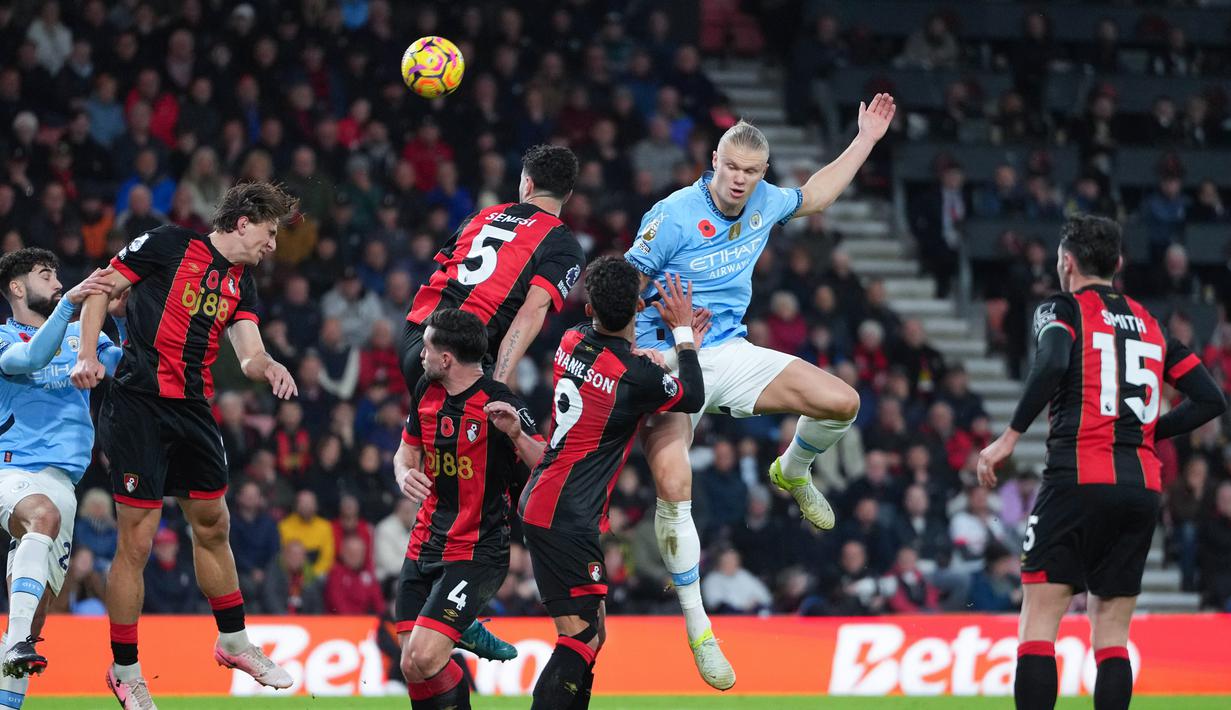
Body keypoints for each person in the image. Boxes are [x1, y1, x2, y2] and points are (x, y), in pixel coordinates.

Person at [621, 94, 896, 687]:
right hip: (669, 354)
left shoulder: (768, 201)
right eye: (731, 168)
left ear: (761, 173)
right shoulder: (672, 215)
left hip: (730, 352)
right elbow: (620, 285)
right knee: (675, 484)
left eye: (750, 172)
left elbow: (817, 195)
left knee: (843, 402)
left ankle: (792, 470)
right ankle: (699, 627)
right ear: (712, 160)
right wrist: (632, 347)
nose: (740, 180)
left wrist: (866, 140)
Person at [976, 215, 1226, 710]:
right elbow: (1209, 398)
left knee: (1039, 622)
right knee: (1111, 632)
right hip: (1141, 486)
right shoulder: (1151, 325)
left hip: (1076, 475)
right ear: (1118, 264)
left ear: (1066, 261)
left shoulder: (1062, 308)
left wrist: (1009, 436)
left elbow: (1050, 362)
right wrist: (1149, 430)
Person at [71, 182, 302, 709]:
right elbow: (100, 288)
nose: (272, 246)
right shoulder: (168, 244)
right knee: (139, 540)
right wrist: (88, 355)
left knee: (214, 523)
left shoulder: (244, 282)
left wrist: (266, 365)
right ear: (244, 222)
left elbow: (247, 351)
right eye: (269, 234)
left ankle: (234, 641)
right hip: (138, 405)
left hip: (194, 409)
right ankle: (125, 671)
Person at [520, 257, 706, 709]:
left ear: (589, 310)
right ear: (641, 304)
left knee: (594, 633)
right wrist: (685, 339)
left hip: (551, 499)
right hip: (565, 513)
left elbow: (611, 363)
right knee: (580, 638)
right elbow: (693, 395)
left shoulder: (570, 340)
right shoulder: (636, 375)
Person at [391, 308, 545, 709]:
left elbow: (548, 462)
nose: (418, 354)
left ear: (447, 358)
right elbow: (405, 452)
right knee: (411, 665)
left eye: (426, 346)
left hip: (477, 551)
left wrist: (515, 432)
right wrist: (403, 472)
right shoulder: (426, 389)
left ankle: (457, 623)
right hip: (425, 541)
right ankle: (460, 626)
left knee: (423, 656)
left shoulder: (500, 402)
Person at [0, 250, 115, 706]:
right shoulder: (4, 336)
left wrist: (121, 322)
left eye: (57, 273)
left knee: (36, 619)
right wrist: (70, 302)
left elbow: (125, 366)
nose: (55, 281)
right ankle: (13, 642)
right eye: (44, 274)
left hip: (66, 484)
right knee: (41, 516)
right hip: (12, 468)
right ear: (16, 287)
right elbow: (28, 358)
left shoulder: (78, 334)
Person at [399, 144, 584, 395]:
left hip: (416, 334)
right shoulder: (563, 245)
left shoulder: (481, 215)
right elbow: (530, 313)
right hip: (461, 355)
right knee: (501, 429)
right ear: (568, 195)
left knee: (424, 423)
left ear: (527, 184)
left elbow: (445, 270)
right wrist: (498, 382)